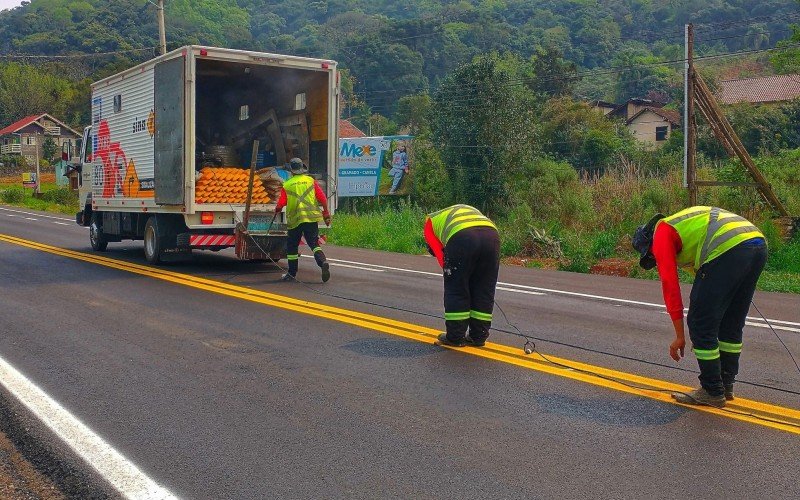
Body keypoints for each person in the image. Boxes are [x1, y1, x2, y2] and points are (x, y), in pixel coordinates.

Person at [632, 206, 767, 408]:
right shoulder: (684, 228)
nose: (656, 260)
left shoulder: (662, 233)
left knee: (699, 322)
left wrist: (681, 336)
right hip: (756, 244)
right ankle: (725, 384)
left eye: (652, 257)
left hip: (730, 247)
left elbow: (670, 286)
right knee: (730, 323)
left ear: (648, 244)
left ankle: (712, 390)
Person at [425, 204, 500, 347]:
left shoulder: (429, 224)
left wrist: (456, 272)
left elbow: (442, 258)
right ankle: (478, 336)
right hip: (491, 235)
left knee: (456, 288)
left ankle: (455, 336)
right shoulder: (457, 211)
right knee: (483, 289)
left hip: (463, 237)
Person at [274, 158, 333, 282]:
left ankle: (291, 274)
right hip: (311, 218)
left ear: (291, 170)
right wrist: (326, 213)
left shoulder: (287, 184)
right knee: (314, 244)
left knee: (292, 247)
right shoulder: (310, 181)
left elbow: (281, 204)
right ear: (302, 169)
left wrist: (277, 209)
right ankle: (323, 263)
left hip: (295, 220)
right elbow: (322, 199)